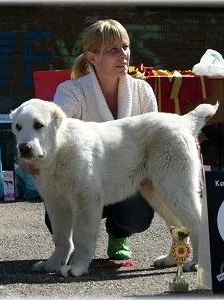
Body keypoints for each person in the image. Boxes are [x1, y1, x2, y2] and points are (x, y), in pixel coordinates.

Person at [45, 19, 158, 260]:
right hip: (83, 181)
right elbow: (54, 133)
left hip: (126, 180)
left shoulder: (143, 91)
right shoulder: (70, 92)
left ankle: (118, 234)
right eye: (113, 50)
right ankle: (73, 245)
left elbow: (153, 142)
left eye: (126, 47)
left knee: (137, 216)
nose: (123, 55)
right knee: (58, 215)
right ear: (92, 56)